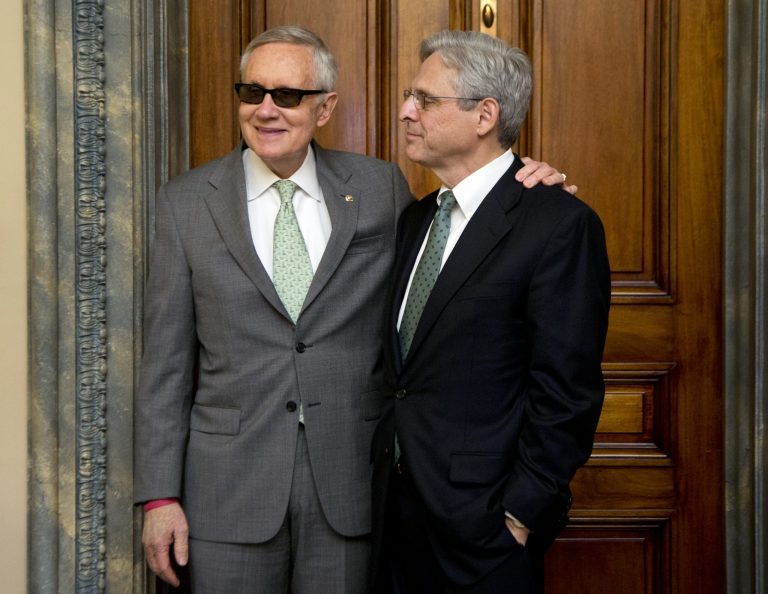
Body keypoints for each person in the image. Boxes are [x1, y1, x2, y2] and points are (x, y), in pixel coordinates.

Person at [134, 25, 570, 593]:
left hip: (352, 489)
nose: (265, 109)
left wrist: (526, 185)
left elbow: (468, 242)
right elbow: (165, 367)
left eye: (287, 95)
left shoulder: (379, 188)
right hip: (227, 493)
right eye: (252, 92)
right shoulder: (186, 204)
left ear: (325, 108)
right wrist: (159, 496)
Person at [370, 30, 611, 594]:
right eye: (409, 96)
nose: (406, 111)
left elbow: (567, 392)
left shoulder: (558, 225)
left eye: (425, 99)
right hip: (395, 516)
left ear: (485, 115)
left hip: (485, 530)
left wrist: (521, 513)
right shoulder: (416, 220)